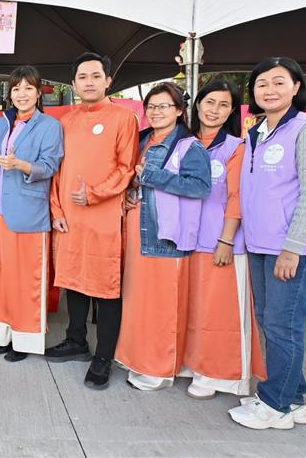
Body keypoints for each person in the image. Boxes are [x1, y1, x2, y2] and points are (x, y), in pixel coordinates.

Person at [229, 58, 306, 430]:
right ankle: (293, 397)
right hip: (261, 244)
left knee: (283, 326)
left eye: (278, 82)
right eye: (261, 84)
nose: (269, 90)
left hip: (294, 249)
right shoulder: (257, 132)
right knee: (270, 322)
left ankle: (277, 405)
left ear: (296, 87)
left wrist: (293, 247)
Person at [46, 52, 138, 388]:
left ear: (108, 81)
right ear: (73, 84)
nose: (89, 82)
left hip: (103, 216)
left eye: (95, 76)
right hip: (69, 218)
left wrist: (95, 194)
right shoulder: (66, 121)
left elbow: (126, 168)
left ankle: (103, 356)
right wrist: (56, 210)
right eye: (82, 77)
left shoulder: (123, 118)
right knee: (74, 279)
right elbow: (56, 171)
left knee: (106, 285)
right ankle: (76, 340)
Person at [114, 81, 211, 390]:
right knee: (138, 301)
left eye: (163, 106)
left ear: (179, 110)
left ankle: (158, 369)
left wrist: (153, 177)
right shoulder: (143, 139)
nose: (156, 112)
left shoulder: (189, 146)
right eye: (151, 107)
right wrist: (130, 193)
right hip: (137, 229)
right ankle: (138, 359)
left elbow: (200, 186)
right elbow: (134, 179)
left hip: (164, 235)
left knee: (161, 306)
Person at [182, 79, 266, 400]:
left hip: (221, 243)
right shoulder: (185, 143)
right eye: (209, 102)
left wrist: (227, 241)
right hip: (187, 241)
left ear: (232, 111)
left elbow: (236, 196)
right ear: (198, 104)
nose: (214, 110)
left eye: (223, 105)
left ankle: (222, 375)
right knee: (195, 309)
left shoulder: (236, 147)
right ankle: (194, 364)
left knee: (220, 313)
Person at [0, 66, 64, 362]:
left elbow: (51, 165)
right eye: (16, 88)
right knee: (1, 278)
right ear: (10, 93)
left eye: (28, 88)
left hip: (29, 213)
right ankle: (2, 335)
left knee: (27, 280)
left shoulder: (50, 126)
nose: (22, 94)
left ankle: (25, 340)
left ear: (38, 92)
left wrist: (21, 165)